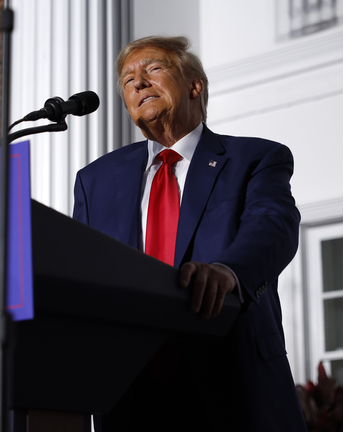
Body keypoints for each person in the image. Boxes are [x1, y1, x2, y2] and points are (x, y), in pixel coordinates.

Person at [72, 36, 307, 431]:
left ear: (195, 86)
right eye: (128, 79)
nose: (138, 83)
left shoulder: (255, 159)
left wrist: (228, 271)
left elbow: (273, 225)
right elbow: (80, 266)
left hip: (232, 380)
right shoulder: (94, 180)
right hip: (130, 391)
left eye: (153, 70)